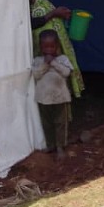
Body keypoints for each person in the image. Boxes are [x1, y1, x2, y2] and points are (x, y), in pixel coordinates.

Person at [26, 0, 84, 98]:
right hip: (43, 50)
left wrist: (60, 15)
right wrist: (54, 13)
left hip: (53, 48)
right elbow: (28, 23)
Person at [32, 30, 74, 160]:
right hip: (44, 99)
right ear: (41, 47)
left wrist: (54, 63)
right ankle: (50, 145)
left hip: (60, 98)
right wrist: (46, 64)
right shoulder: (38, 60)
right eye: (45, 47)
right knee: (47, 123)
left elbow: (67, 72)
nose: (49, 50)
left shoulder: (63, 59)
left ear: (57, 46)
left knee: (61, 123)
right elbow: (36, 75)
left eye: (52, 46)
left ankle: (60, 146)